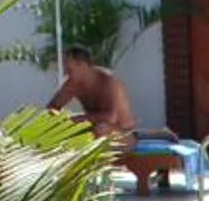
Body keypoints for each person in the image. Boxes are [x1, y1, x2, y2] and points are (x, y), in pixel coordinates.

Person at [43, 44, 180, 192]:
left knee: (101, 128)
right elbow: (52, 107)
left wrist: (75, 120)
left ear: (82, 65)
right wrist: (59, 119)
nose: (65, 71)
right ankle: (63, 180)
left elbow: (110, 117)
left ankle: (99, 181)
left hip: (124, 136)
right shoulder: (72, 84)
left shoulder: (108, 82)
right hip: (99, 130)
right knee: (62, 129)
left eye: (68, 67)